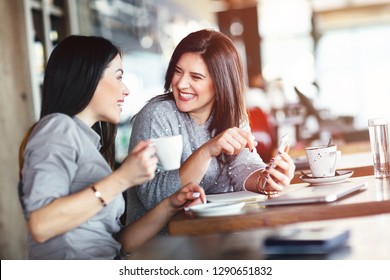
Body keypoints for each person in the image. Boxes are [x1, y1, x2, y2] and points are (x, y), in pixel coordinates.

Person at [18, 35, 206, 260]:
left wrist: (170, 206)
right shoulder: (58, 128)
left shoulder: (88, 144)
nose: (125, 90)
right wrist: (122, 179)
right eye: (118, 77)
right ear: (87, 77)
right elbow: (41, 225)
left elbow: (117, 243)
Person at [126, 29, 295, 226]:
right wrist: (206, 151)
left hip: (215, 233)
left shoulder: (231, 114)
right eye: (178, 71)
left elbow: (243, 167)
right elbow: (153, 196)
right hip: (163, 244)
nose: (181, 83)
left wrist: (268, 180)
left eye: (196, 77)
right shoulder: (157, 115)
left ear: (220, 83)